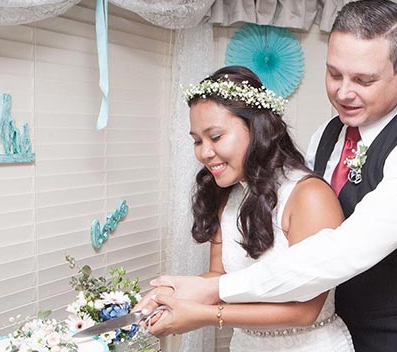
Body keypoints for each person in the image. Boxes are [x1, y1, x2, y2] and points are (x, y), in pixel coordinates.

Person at [142, 0, 397, 352]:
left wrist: (213, 293)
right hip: (331, 333)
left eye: (363, 79)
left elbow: (340, 251)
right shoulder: (328, 135)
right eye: (334, 74)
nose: (343, 93)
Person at [137, 65, 354, 351]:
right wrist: (171, 293)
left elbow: (304, 311)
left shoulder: (309, 196)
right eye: (197, 141)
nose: (204, 152)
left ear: (256, 128)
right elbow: (219, 278)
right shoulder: (228, 194)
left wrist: (203, 315)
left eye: (215, 137)